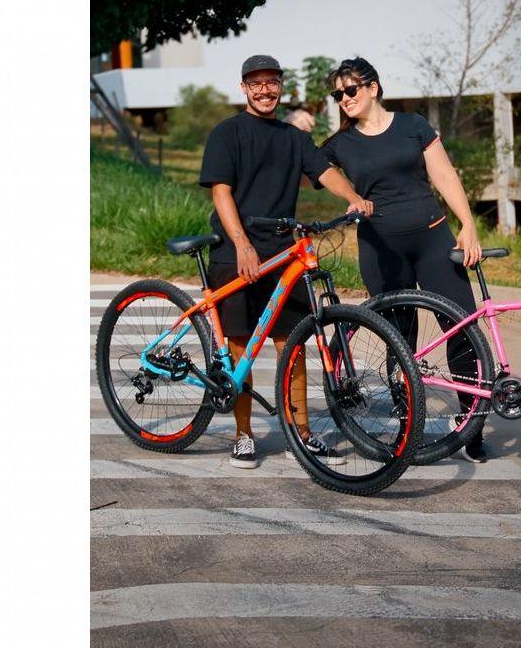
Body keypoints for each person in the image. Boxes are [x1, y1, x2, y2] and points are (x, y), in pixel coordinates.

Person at [199, 54, 373, 468]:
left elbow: (324, 171)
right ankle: (243, 435)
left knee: (292, 345)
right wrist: (241, 244)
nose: (265, 90)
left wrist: (352, 197)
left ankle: (303, 434)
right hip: (235, 251)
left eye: (272, 82)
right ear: (244, 88)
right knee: (240, 347)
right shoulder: (227, 133)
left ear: (281, 86)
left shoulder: (293, 138)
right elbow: (221, 192)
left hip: (282, 251)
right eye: (256, 83)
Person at [318, 57, 490, 462]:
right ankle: (407, 423)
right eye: (338, 95)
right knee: (400, 340)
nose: (344, 99)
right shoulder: (340, 143)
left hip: (433, 240)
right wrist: (350, 196)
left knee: (462, 328)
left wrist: (468, 225)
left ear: (373, 88)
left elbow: (444, 175)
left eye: (351, 90)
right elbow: (316, 170)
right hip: (381, 249)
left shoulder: (413, 125)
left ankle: (471, 424)